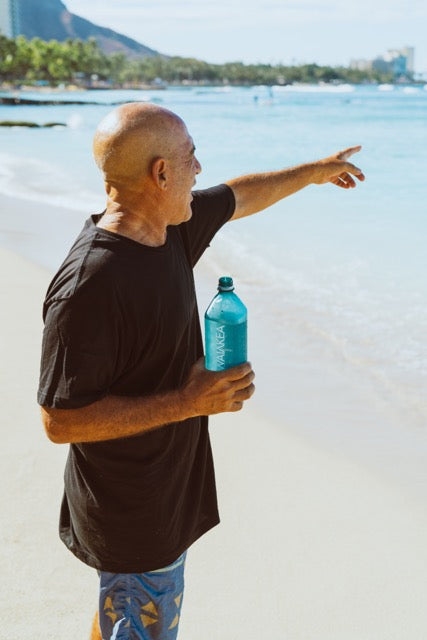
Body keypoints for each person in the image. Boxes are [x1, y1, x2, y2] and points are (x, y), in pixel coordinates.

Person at [38, 102, 364, 640]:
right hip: (132, 511)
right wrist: (189, 401)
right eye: (191, 157)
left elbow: (239, 196)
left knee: (123, 613)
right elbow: (60, 422)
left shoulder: (170, 231)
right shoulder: (90, 286)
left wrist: (316, 171)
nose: (200, 169)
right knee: (141, 623)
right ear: (159, 173)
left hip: (166, 488)